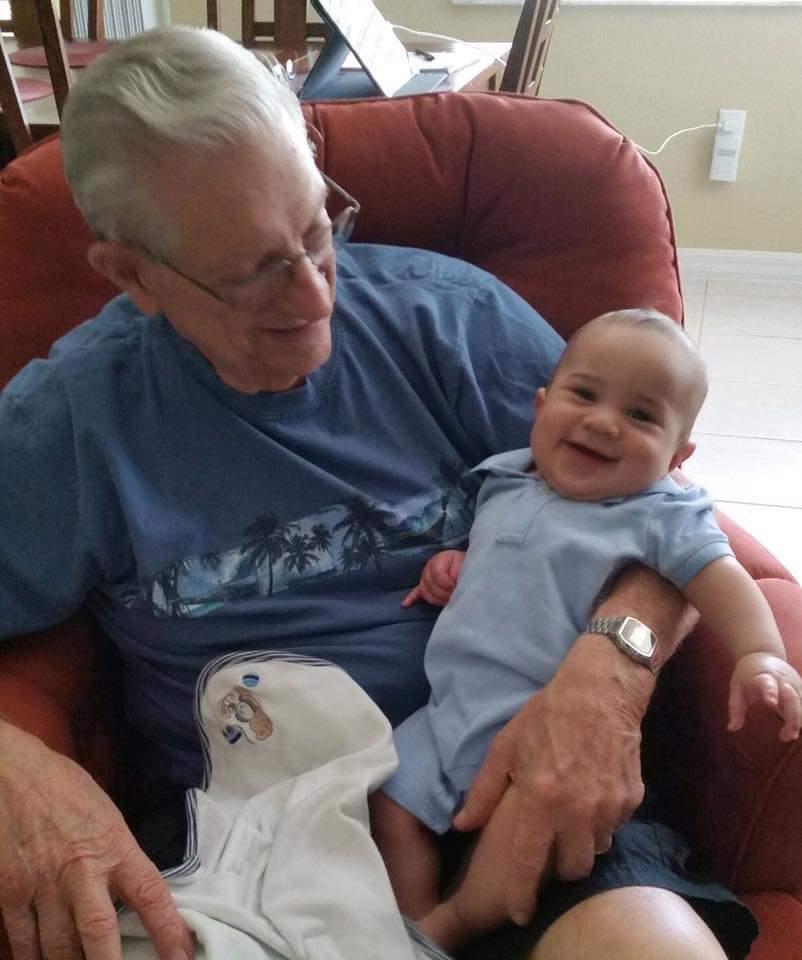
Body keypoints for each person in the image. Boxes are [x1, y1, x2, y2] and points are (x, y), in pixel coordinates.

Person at [0, 25, 757, 960]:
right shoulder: (71, 421)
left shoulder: (454, 321)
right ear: (134, 277)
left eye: (318, 233)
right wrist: (11, 763)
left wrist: (613, 668)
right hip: (249, 841)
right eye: (254, 276)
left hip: (509, 788)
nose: (316, 299)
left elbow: (670, 514)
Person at [369, 309, 802, 953]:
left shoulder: (657, 513)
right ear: (542, 406)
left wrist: (761, 653)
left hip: (542, 735)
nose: (603, 422)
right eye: (585, 395)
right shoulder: (505, 480)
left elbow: (721, 577)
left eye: (641, 416)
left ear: (678, 456)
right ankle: (409, 920)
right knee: (390, 802)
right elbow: (500, 559)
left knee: (537, 825)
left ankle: (451, 924)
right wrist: (454, 568)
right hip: (445, 718)